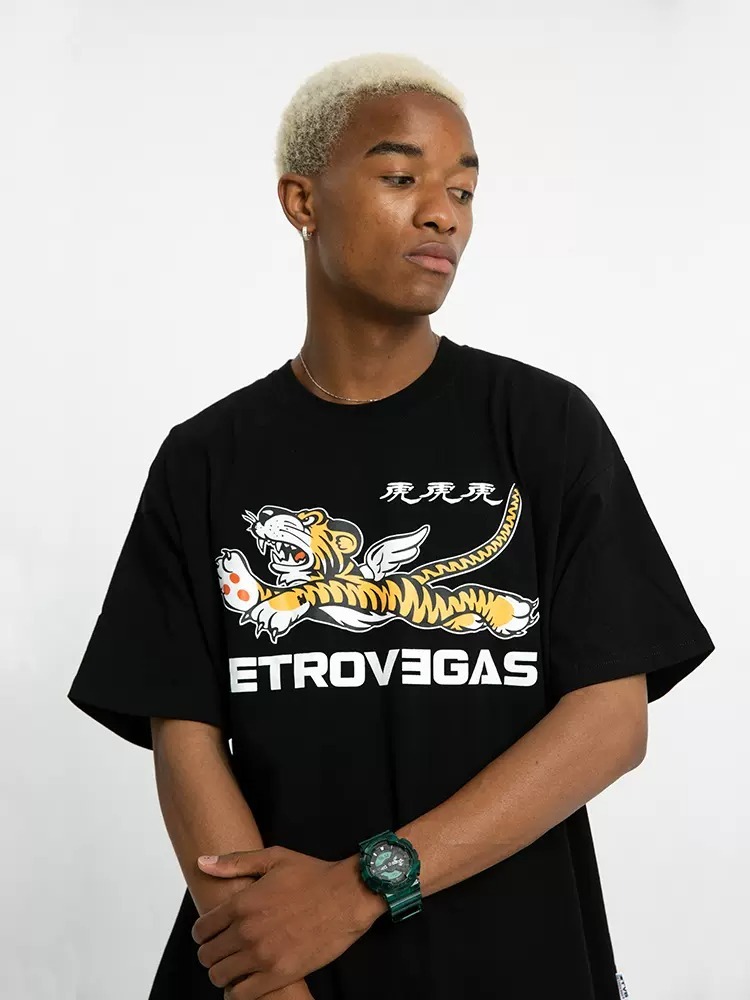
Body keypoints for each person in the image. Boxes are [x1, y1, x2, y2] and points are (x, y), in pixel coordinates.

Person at [67, 52, 715, 1000]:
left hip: (519, 963)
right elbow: (185, 737)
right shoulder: (206, 458)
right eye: (402, 178)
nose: (443, 214)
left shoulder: (543, 427)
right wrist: (270, 981)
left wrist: (365, 887)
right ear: (302, 200)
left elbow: (612, 721)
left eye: (463, 189)